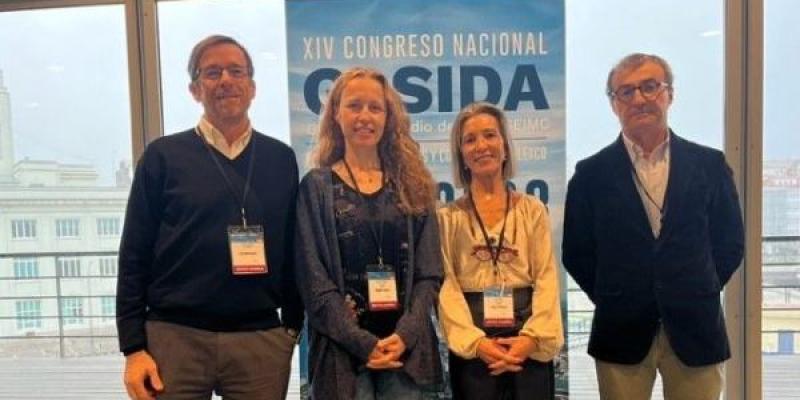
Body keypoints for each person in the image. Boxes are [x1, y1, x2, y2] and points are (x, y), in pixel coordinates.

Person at [116, 34, 302, 400]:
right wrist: (133, 348)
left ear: (252, 86)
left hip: (260, 340)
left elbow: (295, 248)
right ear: (195, 89)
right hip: (175, 337)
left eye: (236, 71)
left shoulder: (281, 159)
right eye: (212, 72)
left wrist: (291, 327)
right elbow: (133, 254)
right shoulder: (163, 157)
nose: (226, 81)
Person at [562, 53, 744, 400]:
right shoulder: (590, 175)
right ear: (614, 104)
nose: (639, 99)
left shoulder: (709, 165)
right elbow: (576, 252)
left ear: (669, 94)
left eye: (650, 87)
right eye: (626, 92)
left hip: (696, 325)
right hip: (621, 328)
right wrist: (613, 294)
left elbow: (730, 242)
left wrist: (696, 285)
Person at [295, 67, 443, 400]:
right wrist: (362, 343)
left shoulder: (414, 185)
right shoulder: (316, 188)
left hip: (405, 353)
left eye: (375, 107)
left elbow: (430, 273)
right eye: (354, 105)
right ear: (336, 113)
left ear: (389, 117)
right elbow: (313, 280)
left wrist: (404, 335)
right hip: (342, 352)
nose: (365, 116)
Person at [437, 102, 563, 399]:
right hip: (475, 344)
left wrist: (531, 340)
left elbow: (546, 278)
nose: (481, 146)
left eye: (490, 135)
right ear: (462, 156)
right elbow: (447, 287)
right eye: (470, 140)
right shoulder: (447, 218)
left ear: (505, 147)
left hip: (526, 338)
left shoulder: (532, 210)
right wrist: (476, 343)